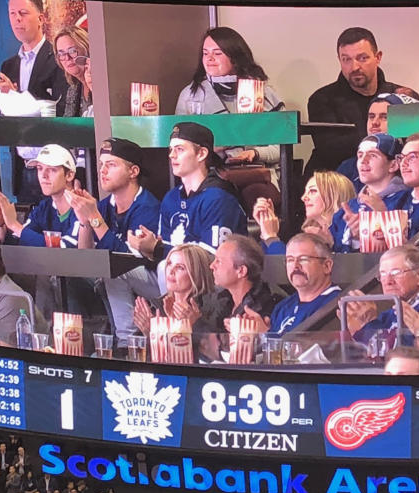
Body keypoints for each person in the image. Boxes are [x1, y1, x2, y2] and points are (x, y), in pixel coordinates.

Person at [65, 137, 161, 346]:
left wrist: (95, 217)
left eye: (111, 165)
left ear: (133, 171)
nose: (102, 171)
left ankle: (126, 343)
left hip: (154, 278)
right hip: (120, 276)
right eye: (101, 165)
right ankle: (80, 342)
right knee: (70, 277)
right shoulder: (105, 205)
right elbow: (84, 256)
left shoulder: (147, 206)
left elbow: (129, 260)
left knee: (114, 271)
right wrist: (85, 221)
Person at [176, 27, 284, 203]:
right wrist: (210, 149)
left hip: (256, 173)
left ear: (235, 57)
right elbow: (178, 148)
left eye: (217, 53)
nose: (209, 59)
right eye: (205, 53)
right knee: (215, 196)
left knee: (259, 198)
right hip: (209, 174)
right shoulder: (190, 96)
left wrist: (254, 153)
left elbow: (282, 147)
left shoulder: (263, 93)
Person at [306, 27, 419, 175]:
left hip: (392, 178)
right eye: (346, 59)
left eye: (362, 58)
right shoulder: (321, 99)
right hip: (337, 181)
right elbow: (329, 150)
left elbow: (414, 145)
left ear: (378, 57)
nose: (354, 67)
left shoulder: (400, 97)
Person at [130, 123, 247, 262]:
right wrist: (147, 248)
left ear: (201, 154)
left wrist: (156, 248)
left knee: (163, 270)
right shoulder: (171, 197)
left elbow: (212, 261)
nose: (172, 155)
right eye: (171, 149)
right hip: (174, 275)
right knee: (123, 274)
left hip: (212, 280)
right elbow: (164, 250)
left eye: (179, 149)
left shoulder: (219, 197)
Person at [0, 0, 65, 205]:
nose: (17, 19)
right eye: (12, 14)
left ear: (41, 19)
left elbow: (59, 107)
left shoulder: (57, 58)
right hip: (22, 165)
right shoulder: (9, 65)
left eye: (23, 13)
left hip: (52, 164)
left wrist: (17, 96)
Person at [132, 244, 226, 362]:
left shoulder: (216, 304)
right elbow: (137, 358)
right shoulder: (155, 307)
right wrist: (150, 334)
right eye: (170, 264)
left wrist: (194, 324)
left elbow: (217, 356)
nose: (171, 271)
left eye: (180, 267)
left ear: (196, 274)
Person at [344, 245, 419, 343]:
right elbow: (370, 355)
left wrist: (369, 323)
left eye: (396, 273)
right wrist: (359, 329)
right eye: (383, 274)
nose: (388, 281)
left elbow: (400, 353)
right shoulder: (389, 314)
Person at [238, 233, 341, 336]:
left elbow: (311, 349)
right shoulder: (283, 307)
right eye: (290, 260)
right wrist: (257, 331)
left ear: (327, 266)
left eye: (303, 259)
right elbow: (273, 350)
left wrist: (264, 334)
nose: (295, 266)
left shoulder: (337, 305)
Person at [0, 144, 80, 247]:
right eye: (39, 168)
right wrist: (1, 224)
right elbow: (19, 241)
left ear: (69, 175)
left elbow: (67, 248)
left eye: (52, 169)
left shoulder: (83, 209)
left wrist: (13, 224)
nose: (43, 175)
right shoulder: (44, 207)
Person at [328, 133, 409, 253]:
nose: (363, 161)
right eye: (360, 155)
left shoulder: (407, 200)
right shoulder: (347, 209)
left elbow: (409, 254)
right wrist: (323, 241)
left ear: (393, 165)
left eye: (372, 155)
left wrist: (383, 217)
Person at [255, 170, 355, 254]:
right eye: (305, 192)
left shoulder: (350, 233)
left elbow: (289, 268)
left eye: (312, 191)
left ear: (334, 196)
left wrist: (271, 237)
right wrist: (266, 229)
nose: (303, 198)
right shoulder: (310, 233)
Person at [336, 93, 418, 189]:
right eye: (371, 116)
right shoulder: (348, 168)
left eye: (384, 117)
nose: (374, 122)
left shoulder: (417, 166)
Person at [210, 235, 281, 321]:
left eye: (219, 261)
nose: (211, 266)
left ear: (241, 271)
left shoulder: (263, 309)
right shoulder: (222, 300)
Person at [52, 26, 90, 117]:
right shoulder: (72, 89)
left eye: (72, 51)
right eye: (61, 54)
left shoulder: (101, 85)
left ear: (86, 49)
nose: (67, 58)